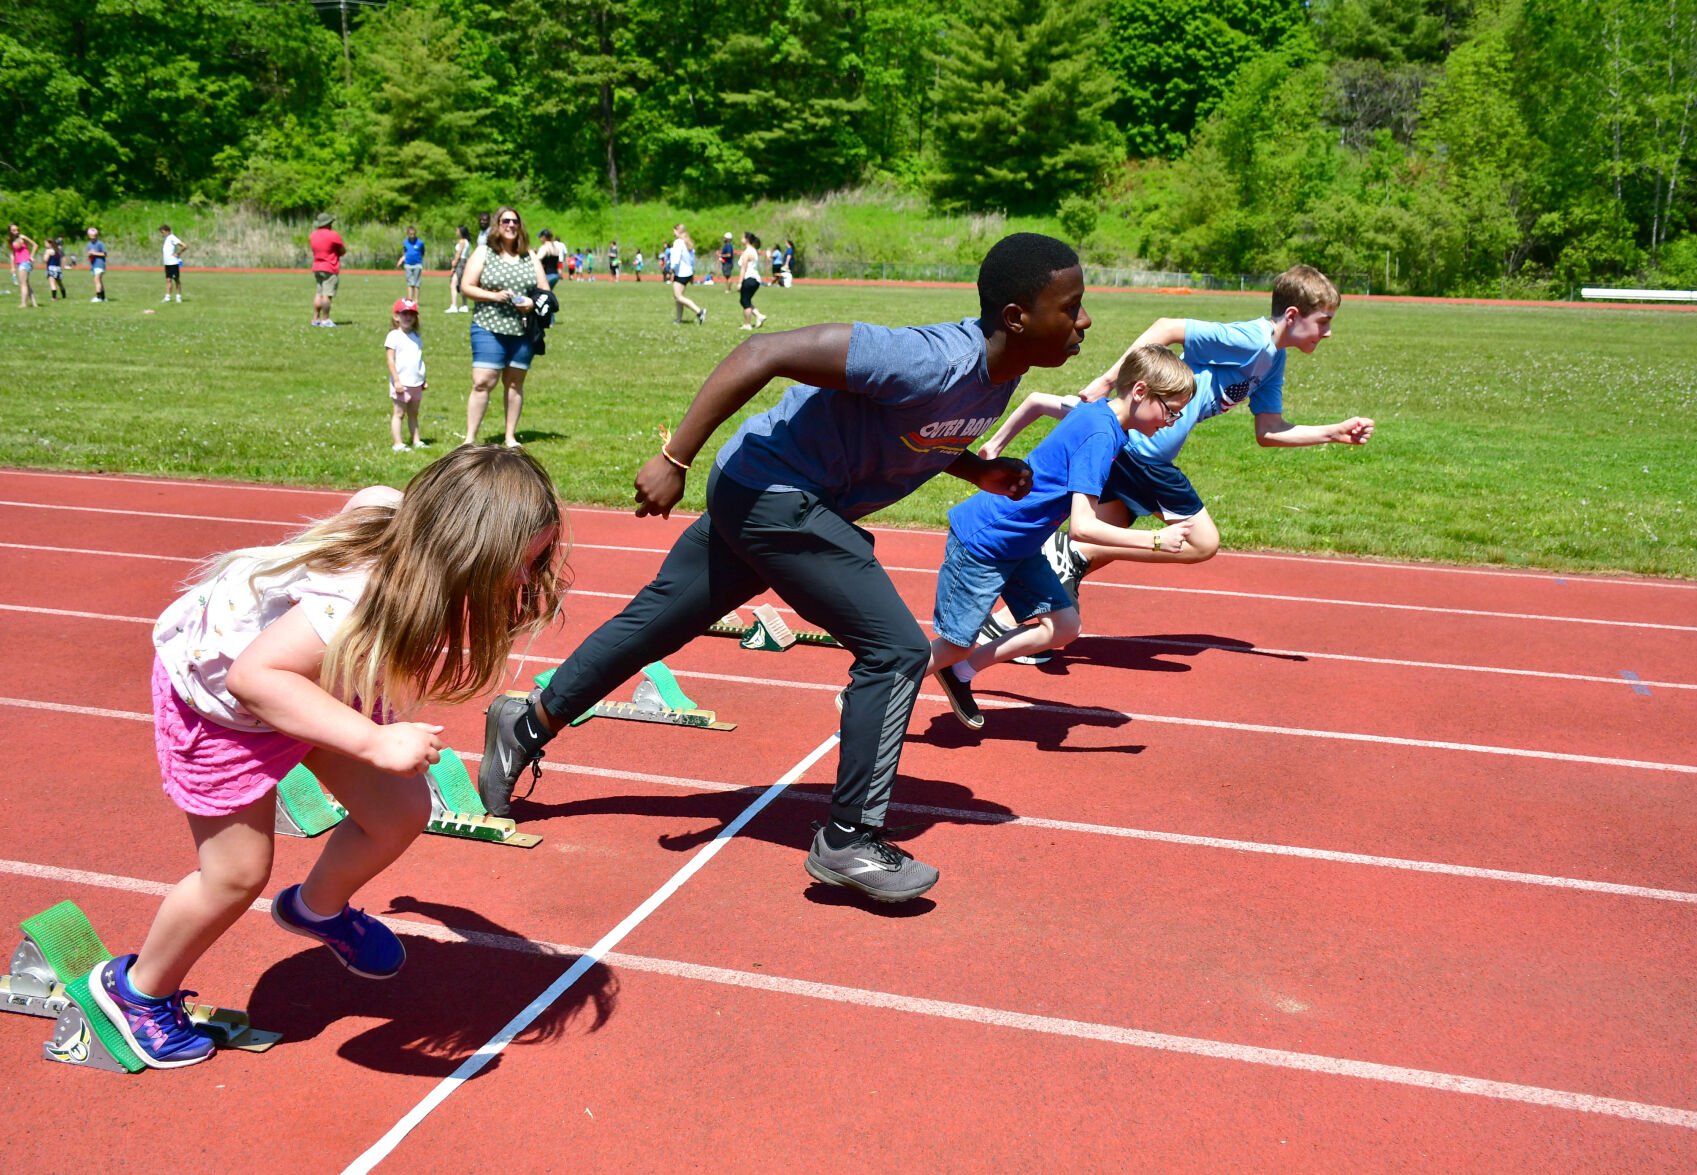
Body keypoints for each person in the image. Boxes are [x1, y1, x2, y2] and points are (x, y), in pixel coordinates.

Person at [475, 232, 1091, 904]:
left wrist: (979, 469)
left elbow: (922, 432)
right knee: (894, 650)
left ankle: (527, 721)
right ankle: (848, 838)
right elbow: (761, 351)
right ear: (1015, 318)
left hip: (768, 491)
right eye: (1072, 307)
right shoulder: (924, 359)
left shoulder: (1001, 378)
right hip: (773, 493)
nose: (1083, 321)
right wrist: (674, 460)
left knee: (656, 623)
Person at [88, 445, 569, 1069]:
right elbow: (254, 678)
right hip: (225, 705)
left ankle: (315, 909)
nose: (529, 581)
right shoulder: (352, 603)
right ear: (463, 550)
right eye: (521, 564)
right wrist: (373, 741)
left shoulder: (404, 522)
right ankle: (137, 991)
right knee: (235, 874)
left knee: (398, 810)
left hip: (316, 684)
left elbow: (373, 495)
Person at [977, 264, 1373, 662]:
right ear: (1292, 316)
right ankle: (1069, 556)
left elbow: (1267, 430)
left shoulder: (1273, 362)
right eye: (1323, 321)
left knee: (1107, 537)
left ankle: (1006, 621)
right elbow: (1167, 326)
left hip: (1140, 450)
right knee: (1202, 543)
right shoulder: (1252, 340)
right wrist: (1108, 379)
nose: (1328, 332)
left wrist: (1333, 432)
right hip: (1143, 453)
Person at [924, 345, 1196, 728]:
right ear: (1139, 392)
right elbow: (1082, 527)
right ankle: (874, 689)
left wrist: (999, 443)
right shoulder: (1101, 435)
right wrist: (1154, 540)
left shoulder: (1100, 414)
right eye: (1170, 410)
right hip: (987, 541)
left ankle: (961, 673)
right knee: (955, 642)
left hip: (1020, 545)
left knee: (1064, 626)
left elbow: (1036, 402)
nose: (1172, 421)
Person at [460, 204, 549, 447]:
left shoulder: (528, 256)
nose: (511, 225)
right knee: (482, 382)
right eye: (506, 221)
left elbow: (545, 291)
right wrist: (494, 296)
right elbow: (466, 286)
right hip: (488, 326)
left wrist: (532, 302)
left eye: (515, 222)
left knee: (514, 382)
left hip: (521, 330)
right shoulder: (484, 253)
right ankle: (469, 439)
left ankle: (510, 436)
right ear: (497, 225)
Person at [384, 298, 428, 451]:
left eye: (411, 314)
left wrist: (423, 379)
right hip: (401, 383)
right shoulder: (394, 336)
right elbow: (390, 360)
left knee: (414, 413)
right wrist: (396, 380)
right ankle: (398, 443)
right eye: (404, 314)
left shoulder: (416, 337)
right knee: (399, 413)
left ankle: (416, 440)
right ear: (396, 316)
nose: (408, 317)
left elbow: (419, 359)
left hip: (416, 382)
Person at [309, 213, 346, 328]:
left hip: (317, 266)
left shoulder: (313, 235)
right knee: (327, 295)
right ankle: (325, 319)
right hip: (329, 267)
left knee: (318, 293)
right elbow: (342, 250)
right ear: (329, 223)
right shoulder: (333, 235)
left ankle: (315, 318)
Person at [666, 224, 706, 325]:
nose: (673, 233)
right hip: (688, 273)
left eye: (674, 231)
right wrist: (692, 272)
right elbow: (692, 260)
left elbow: (676, 258)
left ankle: (699, 312)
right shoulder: (687, 242)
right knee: (679, 297)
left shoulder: (678, 243)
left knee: (678, 297)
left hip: (681, 273)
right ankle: (678, 319)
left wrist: (671, 270)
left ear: (678, 231)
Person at [736, 230, 767, 331]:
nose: (741, 239)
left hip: (749, 278)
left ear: (747, 239)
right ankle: (759, 316)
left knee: (745, 302)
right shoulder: (754, 250)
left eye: (742, 237)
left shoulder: (747, 252)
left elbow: (743, 268)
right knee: (745, 300)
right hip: (756, 279)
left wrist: (740, 282)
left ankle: (747, 324)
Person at [10, 225, 39, 309]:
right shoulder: (11, 240)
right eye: (14, 230)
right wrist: (12, 267)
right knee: (26, 283)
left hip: (25, 262)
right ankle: (34, 303)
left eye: (17, 229)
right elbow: (12, 254)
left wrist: (31, 256)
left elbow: (35, 245)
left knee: (23, 284)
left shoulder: (22, 237)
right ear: (10, 231)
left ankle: (23, 303)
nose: (16, 231)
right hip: (19, 263)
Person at [446, 226, 471, 313]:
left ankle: (454, 305)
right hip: (464, 263)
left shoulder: (462, 241)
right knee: (462, 284)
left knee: (453, 284)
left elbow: (458, 254)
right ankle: (464, 305)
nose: (456, 232)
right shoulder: (467, 242)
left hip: (460, 263)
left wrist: (453, 265)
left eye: (457, 230)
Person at [159, 224, 185, 303]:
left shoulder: (172, 238)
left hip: (173, 263)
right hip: (167, 263)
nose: (161, 234)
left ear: (167, 231)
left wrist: (178, 253)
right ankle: (167, 297)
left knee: (176, 279)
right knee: (168, 280)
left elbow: (184, 245)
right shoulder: (166, 239)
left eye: (162, 232)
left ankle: (178, 297)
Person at [401, 226, 426, 303]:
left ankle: (416, 300)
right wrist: (402, 260)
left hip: (417, 265)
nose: (412, 236)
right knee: (410, 283)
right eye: (411, 234)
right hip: (408, 264)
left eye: (414, 234)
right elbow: (405, 252)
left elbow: (423, 252)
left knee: (416, 283)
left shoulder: (420, 243)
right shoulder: (405, 242)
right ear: (408, 234)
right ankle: (410, 300)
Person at [86, 226, 107, 302]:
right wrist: (89, 254)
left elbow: (104, 254)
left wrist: (94, 253)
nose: (93, 238)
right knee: (99, 281)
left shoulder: (100, 243)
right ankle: (103, 298)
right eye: (91, 236)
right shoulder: (88, 244)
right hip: (93, 265)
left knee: (97, 280)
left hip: (100, 264)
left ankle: (98, 297)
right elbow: (89, 254)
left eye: (94, 236)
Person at [43, 236, 67, 301]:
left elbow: (45, 260)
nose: (45, 245)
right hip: (58, 268)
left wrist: (45, 255)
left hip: (51, 268)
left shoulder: (48, 251)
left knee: (52, 284)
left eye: (46, 243)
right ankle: (64, 296)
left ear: (50, 244)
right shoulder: (57, 250)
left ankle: (54, 297)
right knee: (60, 283)